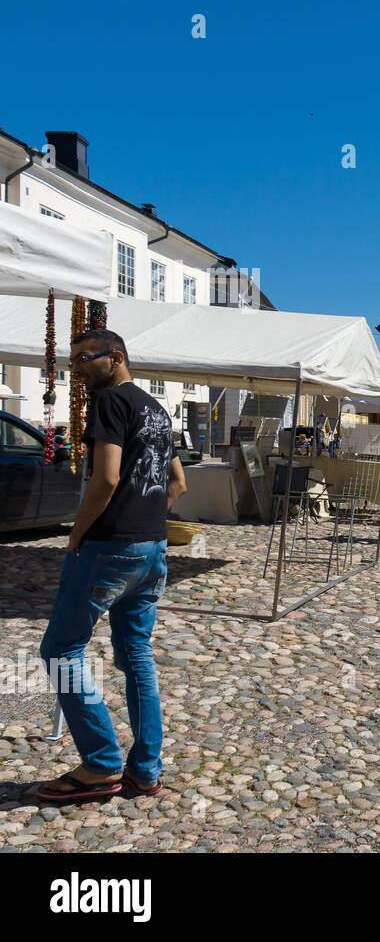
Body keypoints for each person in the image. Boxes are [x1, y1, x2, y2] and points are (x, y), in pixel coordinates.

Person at [34, 329, 187, 802]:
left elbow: (107, 476)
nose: (76, 369)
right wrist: (144, 521)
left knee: (60, 651)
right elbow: (177, 482)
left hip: (109, 549)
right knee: (136, 657)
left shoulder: (108, 402)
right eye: (73, 360)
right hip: (151, 548)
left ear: (114, 357)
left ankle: (100, 764)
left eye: (84, 359)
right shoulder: (155, 409)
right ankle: (144, 770)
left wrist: (78, 532)